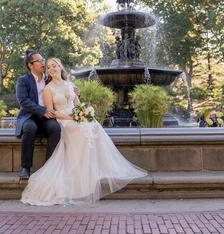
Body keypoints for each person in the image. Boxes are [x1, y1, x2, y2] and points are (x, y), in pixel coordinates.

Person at [21, 58, 147, 206]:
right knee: (81, 130)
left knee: (93, 125)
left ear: (60, 67)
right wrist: (72, 117)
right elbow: (51, 112)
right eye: (48, 68)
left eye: (54, 66)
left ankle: (95, 169)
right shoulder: (48, 89)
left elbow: (78, 105)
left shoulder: (70, 85)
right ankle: (80, 175)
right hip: (63, 119)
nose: (51, 69)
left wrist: (84, 113)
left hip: (75, 116)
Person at [15, 50, 61, 180]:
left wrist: (74, 92)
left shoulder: (49, 79)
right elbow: (23, 101)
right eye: (39, 61)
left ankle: (49, 167)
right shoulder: (23, 80)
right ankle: (25, 167)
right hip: (29, 116)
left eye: (43, 60)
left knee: (55, 128)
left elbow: (61, 91)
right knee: (29, 128)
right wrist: (42, 110)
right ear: (31, 65)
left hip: (47, 117)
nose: (43, 62)